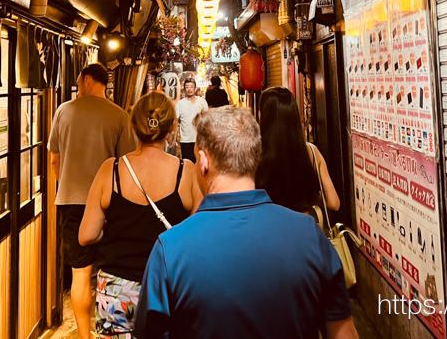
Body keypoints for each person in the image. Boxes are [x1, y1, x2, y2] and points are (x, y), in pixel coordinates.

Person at [134, 106, 358, 339]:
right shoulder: (310, 235)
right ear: (254, 158)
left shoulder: (170, 249)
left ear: (203, 161)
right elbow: (343, 333)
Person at [78, 92, 202, 337]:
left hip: (116, 289)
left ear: (133, 127)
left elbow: (85, 236)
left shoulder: (110, 170)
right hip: (169, 288)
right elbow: (199, 238)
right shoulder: (185, 172)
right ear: (171, 130)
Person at [48, 63, 137, 339]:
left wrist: (66, 183)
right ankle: (107, 329)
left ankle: (85, 336)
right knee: (107, 270)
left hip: (72, 202)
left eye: (78, 81)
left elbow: (54, 158)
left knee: (80, 274)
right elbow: (127, 164)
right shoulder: (118, 115)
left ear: (87, 80)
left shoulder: (64, 111)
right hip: (110, 203)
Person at [256, 87, 340, 214]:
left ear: (262, 114)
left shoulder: (253, 153)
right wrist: (310, 197)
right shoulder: (312, 152)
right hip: (302, 228)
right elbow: (333, 203)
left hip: (265, 225)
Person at [174, 78, 208, 163]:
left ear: (195, 88)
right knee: (187, 164)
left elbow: (207, 119)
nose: (189, 89)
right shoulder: (180, 104)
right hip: (185, 140)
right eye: (187, 87)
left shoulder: (202, 102)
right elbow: (176, 122)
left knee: (200, 164)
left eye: (191, 87)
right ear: (184, 89)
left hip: (199, 140)